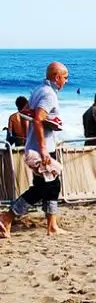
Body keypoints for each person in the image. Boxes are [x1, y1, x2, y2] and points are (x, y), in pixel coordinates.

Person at [0, 62, 69, 238]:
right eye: (65, 77)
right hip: (42, 149)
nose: (66, 81)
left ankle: (51, 225)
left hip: (34, 146)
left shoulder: (38, 90)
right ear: (56, 77)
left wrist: (50, 122)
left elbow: (25, 113)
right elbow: (37, 119)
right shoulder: (49, 94)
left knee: (45, 186)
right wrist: (44, 149)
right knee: (49, 186)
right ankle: (7, 217)